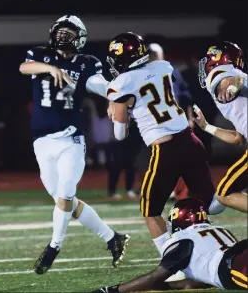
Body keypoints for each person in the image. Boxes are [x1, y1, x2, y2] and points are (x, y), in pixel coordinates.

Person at [19, 15, 130, 275]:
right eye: (60, 31)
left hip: (71, 138)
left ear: (80, 38)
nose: (63, 37)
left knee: (66, 196)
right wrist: (50, 68)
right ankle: (113, 238)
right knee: (62, 200)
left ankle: (53, 247)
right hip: (42, 140)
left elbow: (102, 86)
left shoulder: (87, 63)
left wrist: (113, 98)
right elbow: (24, 68)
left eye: (69, 33)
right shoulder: (40, 56)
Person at [106, 32, 224, 270]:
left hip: (165, 148)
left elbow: (120, 134)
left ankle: (173, 265)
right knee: (206, 203)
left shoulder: (121, 84)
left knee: (150, 210)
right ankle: (210, 249)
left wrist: (118, 110)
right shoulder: (162, 66)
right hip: (191, 142)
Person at [91, 197, 247, 292]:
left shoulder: (185, 238)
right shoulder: (219, 230)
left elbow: (154, 277)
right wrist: (166, 286)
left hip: (232, 266)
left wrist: (113, 290)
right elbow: (200, 282)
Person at [196, 41, 247, 213]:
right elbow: (238, 139)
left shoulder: (220, 73)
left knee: (224, 193)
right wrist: (206, 127)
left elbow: (235, 80)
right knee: (218, 199)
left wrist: (232, 87)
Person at [148, 42, 191, 200]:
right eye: (151, 54)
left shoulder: (172, 72)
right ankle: (165, 189)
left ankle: (179, 190)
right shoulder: (142, 74)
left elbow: (185, 97)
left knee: (179, 157)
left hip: (175, 120)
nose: (153, 58)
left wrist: (190, 117)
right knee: (161, 159)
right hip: (155, 123)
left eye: (155, 54)